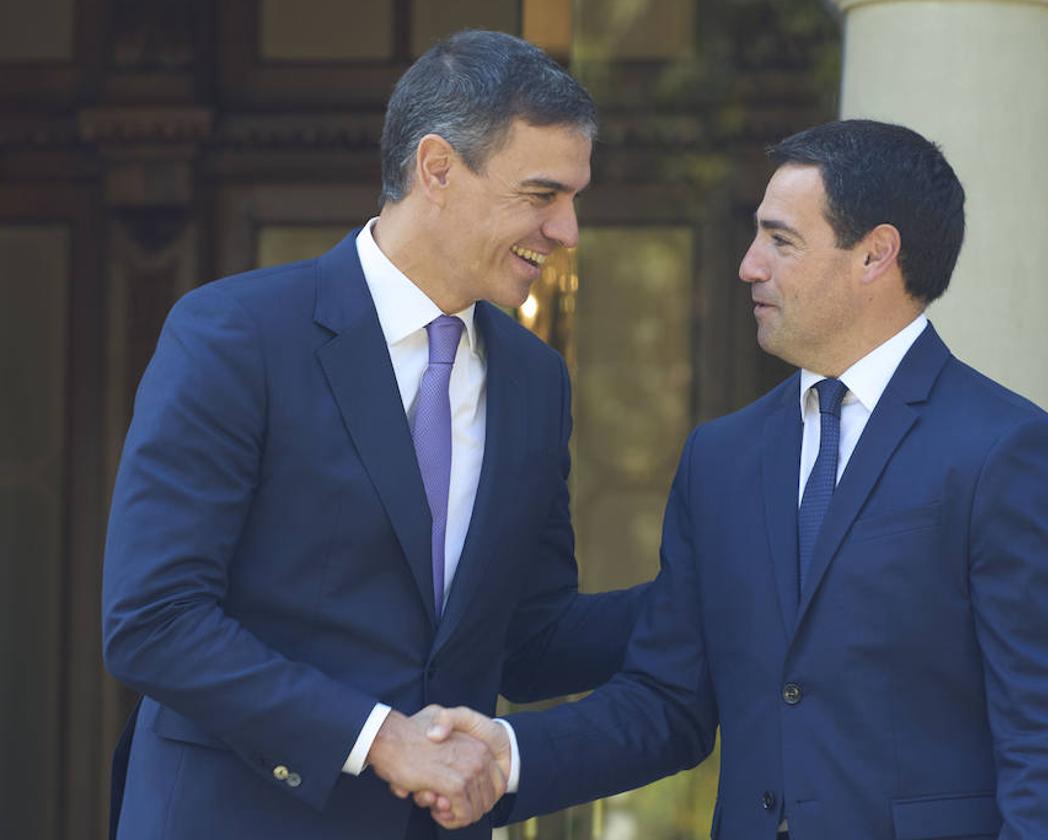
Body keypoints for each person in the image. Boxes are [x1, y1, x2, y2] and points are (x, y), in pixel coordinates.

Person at [425, 119, 1048, 837]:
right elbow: (665, 703)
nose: (750, 265)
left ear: (875, 254)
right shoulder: (721, 458)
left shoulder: (1008, 451)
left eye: (781, 241)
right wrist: (504, 756)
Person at [102, 29, 646, 840]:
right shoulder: (234, 335)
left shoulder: (536, 381)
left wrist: (717, 590)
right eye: (542, 195)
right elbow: (153, 619)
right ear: (436, 169)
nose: (567, 230)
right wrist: (382, 740)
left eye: (573, 198)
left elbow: (527, 639)